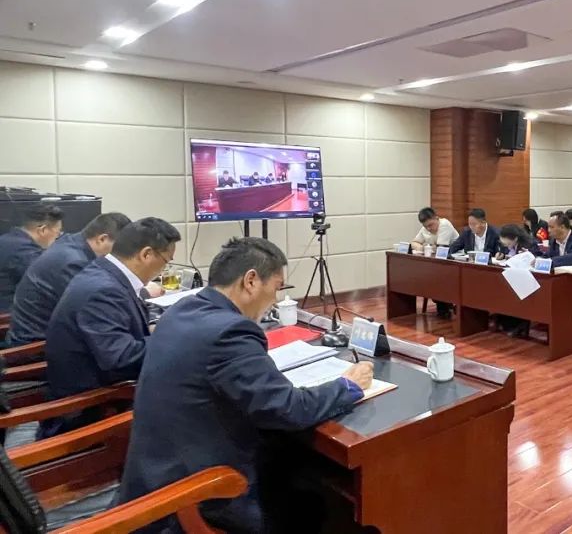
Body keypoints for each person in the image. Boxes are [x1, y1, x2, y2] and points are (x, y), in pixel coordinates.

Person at [115, 237, 374, 533]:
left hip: (154, 475)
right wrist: (347, 385)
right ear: (251, 280)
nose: (275, 299)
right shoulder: (230, 331)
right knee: (317, 503)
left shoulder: (182, 310)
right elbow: (287, 409)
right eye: (276, 287)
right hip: (195, 499)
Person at [41, 218, 181, 438]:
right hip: (89, 413)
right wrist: (175, 340)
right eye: (166, 261)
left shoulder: (103, 272)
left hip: (100, 391)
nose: (164, 268)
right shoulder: (103, 290)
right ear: (146, 254)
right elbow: (121, 358)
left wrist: (156, 331)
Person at [7, 212, 131, 347]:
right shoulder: (74, 262)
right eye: (119, 248)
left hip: (43, 332)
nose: (121, 255)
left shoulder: (71, 242)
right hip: (35, 345)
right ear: (102, 239)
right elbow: (94, 310)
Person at [0, 204, 63, 313]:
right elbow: (47, 284)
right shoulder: (26, 252)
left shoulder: (7, 239)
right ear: (43, 230)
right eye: (58, 232)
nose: (58, 237)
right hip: (7, 313)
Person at [411, 207, 459, 318]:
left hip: (454, 262)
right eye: (425, 226)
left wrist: (426, 247)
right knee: (429, 276)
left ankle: (445, 306)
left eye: (431, 225)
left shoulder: (445, 225)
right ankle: (443, 305)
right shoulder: (426, 228)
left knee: (436, 276)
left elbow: (440, 249)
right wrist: (423, 247)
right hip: (438, 263)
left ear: (436, 218)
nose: (428, 229)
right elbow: (414, 242)